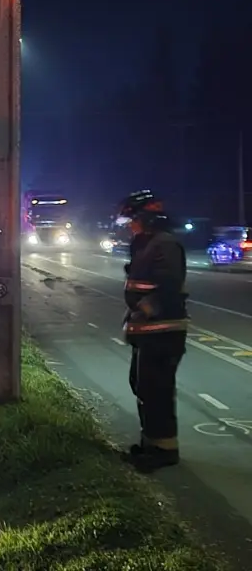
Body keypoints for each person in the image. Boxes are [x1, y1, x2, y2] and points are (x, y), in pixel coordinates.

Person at [118, 190, 188, 473]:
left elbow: (169, 286)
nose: (129, 225)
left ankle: (164, 450)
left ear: (145, 216)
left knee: (157, 388)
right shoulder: (145, 243)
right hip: (148, 332)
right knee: (142, 384)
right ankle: (149, 443)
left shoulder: (165, 245)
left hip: (163, 332)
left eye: (132, 220)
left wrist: (145, 309)